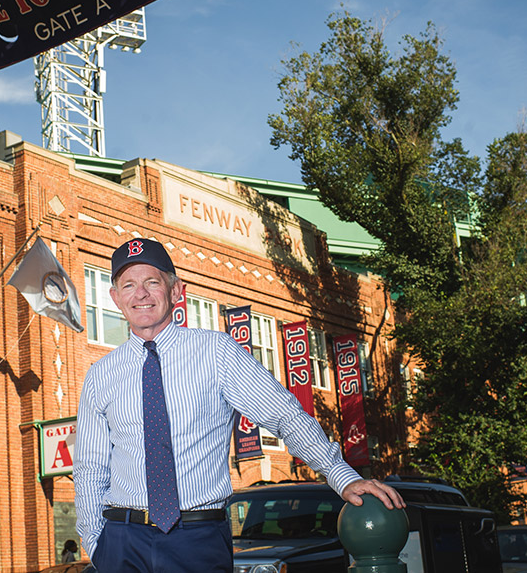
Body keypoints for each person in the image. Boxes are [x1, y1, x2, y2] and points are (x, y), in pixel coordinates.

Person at [74, 239, 406, 572]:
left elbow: (285, 415)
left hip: (196, 538)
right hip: (121, 541)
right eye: (128, 285)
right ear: (115, 297)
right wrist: (96, 542)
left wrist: (341, 475)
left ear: (176, 291)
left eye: (152, 282)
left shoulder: (216, 353)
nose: (141, 294)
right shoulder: (101, 374)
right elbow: (90, 468)